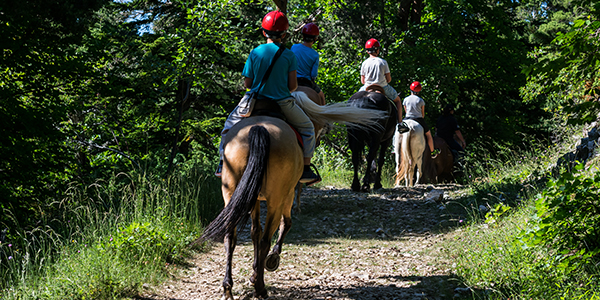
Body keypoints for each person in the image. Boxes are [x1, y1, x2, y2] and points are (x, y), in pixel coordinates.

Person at [215, 10, 321, 185]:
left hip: (254, 101)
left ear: (264, 32)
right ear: (285, 34)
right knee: (308, 129)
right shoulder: (288, 55)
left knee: (228, 127)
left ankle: (221, 163)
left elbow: (248, 84)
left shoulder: (255, 52)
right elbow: (293, 87)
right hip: (282, 103)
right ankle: (306, 168)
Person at [359, 38, 403, 123]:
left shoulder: (364, 63)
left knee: (353, 100)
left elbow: (363, 81)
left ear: (368, 51)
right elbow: (389, 79)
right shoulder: (383, 62)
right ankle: (400, 123)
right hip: (383, 87)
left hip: (367, 87)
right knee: (398, 101)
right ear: (377, 50)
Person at [402, 81, 440, 158]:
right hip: (418, 119)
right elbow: (422, 114)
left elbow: (405, 110)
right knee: (428, 134)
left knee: (397, 130)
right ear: (419, 91)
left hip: (407, 118)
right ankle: (432, 152)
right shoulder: (420, 100)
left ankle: (394, 147)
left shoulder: (405, 99)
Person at [291, 23, 325, 105]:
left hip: (292, 79)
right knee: (321, 96)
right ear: (315, 39)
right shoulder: (315, 54)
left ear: (303, 36)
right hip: (306, 82)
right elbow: (313, 74)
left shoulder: (294, 47)